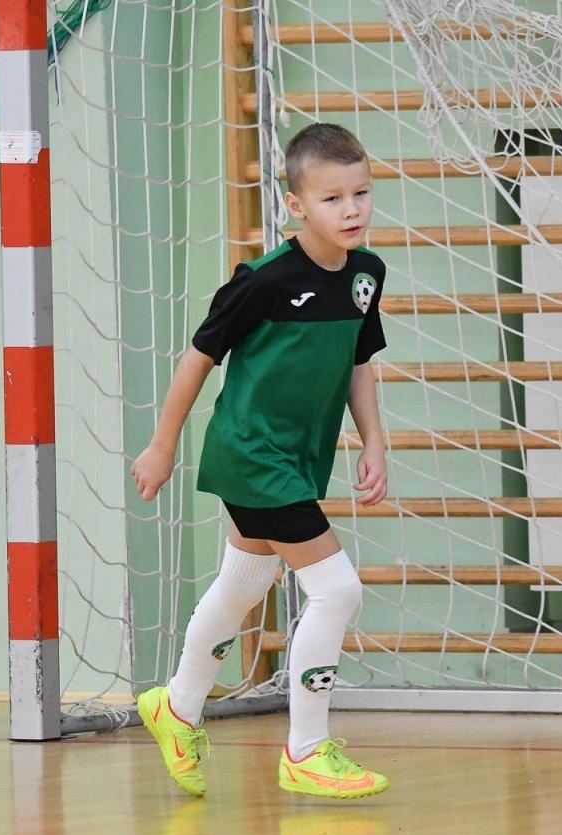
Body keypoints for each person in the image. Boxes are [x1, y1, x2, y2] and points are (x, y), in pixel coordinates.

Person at [129, 122, 390, 800]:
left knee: (244, 582)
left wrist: (375, 439)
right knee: (337, 590)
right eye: (332, 198)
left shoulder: (367, 275)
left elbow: (361, 364)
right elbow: (197, 359)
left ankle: (178, 705)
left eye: (361, 193)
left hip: (295, 459)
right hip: (252, 454)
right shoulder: (264, 280)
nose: (352, 209)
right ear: (296, 206)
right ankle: (305, 751)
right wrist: (162, 446)